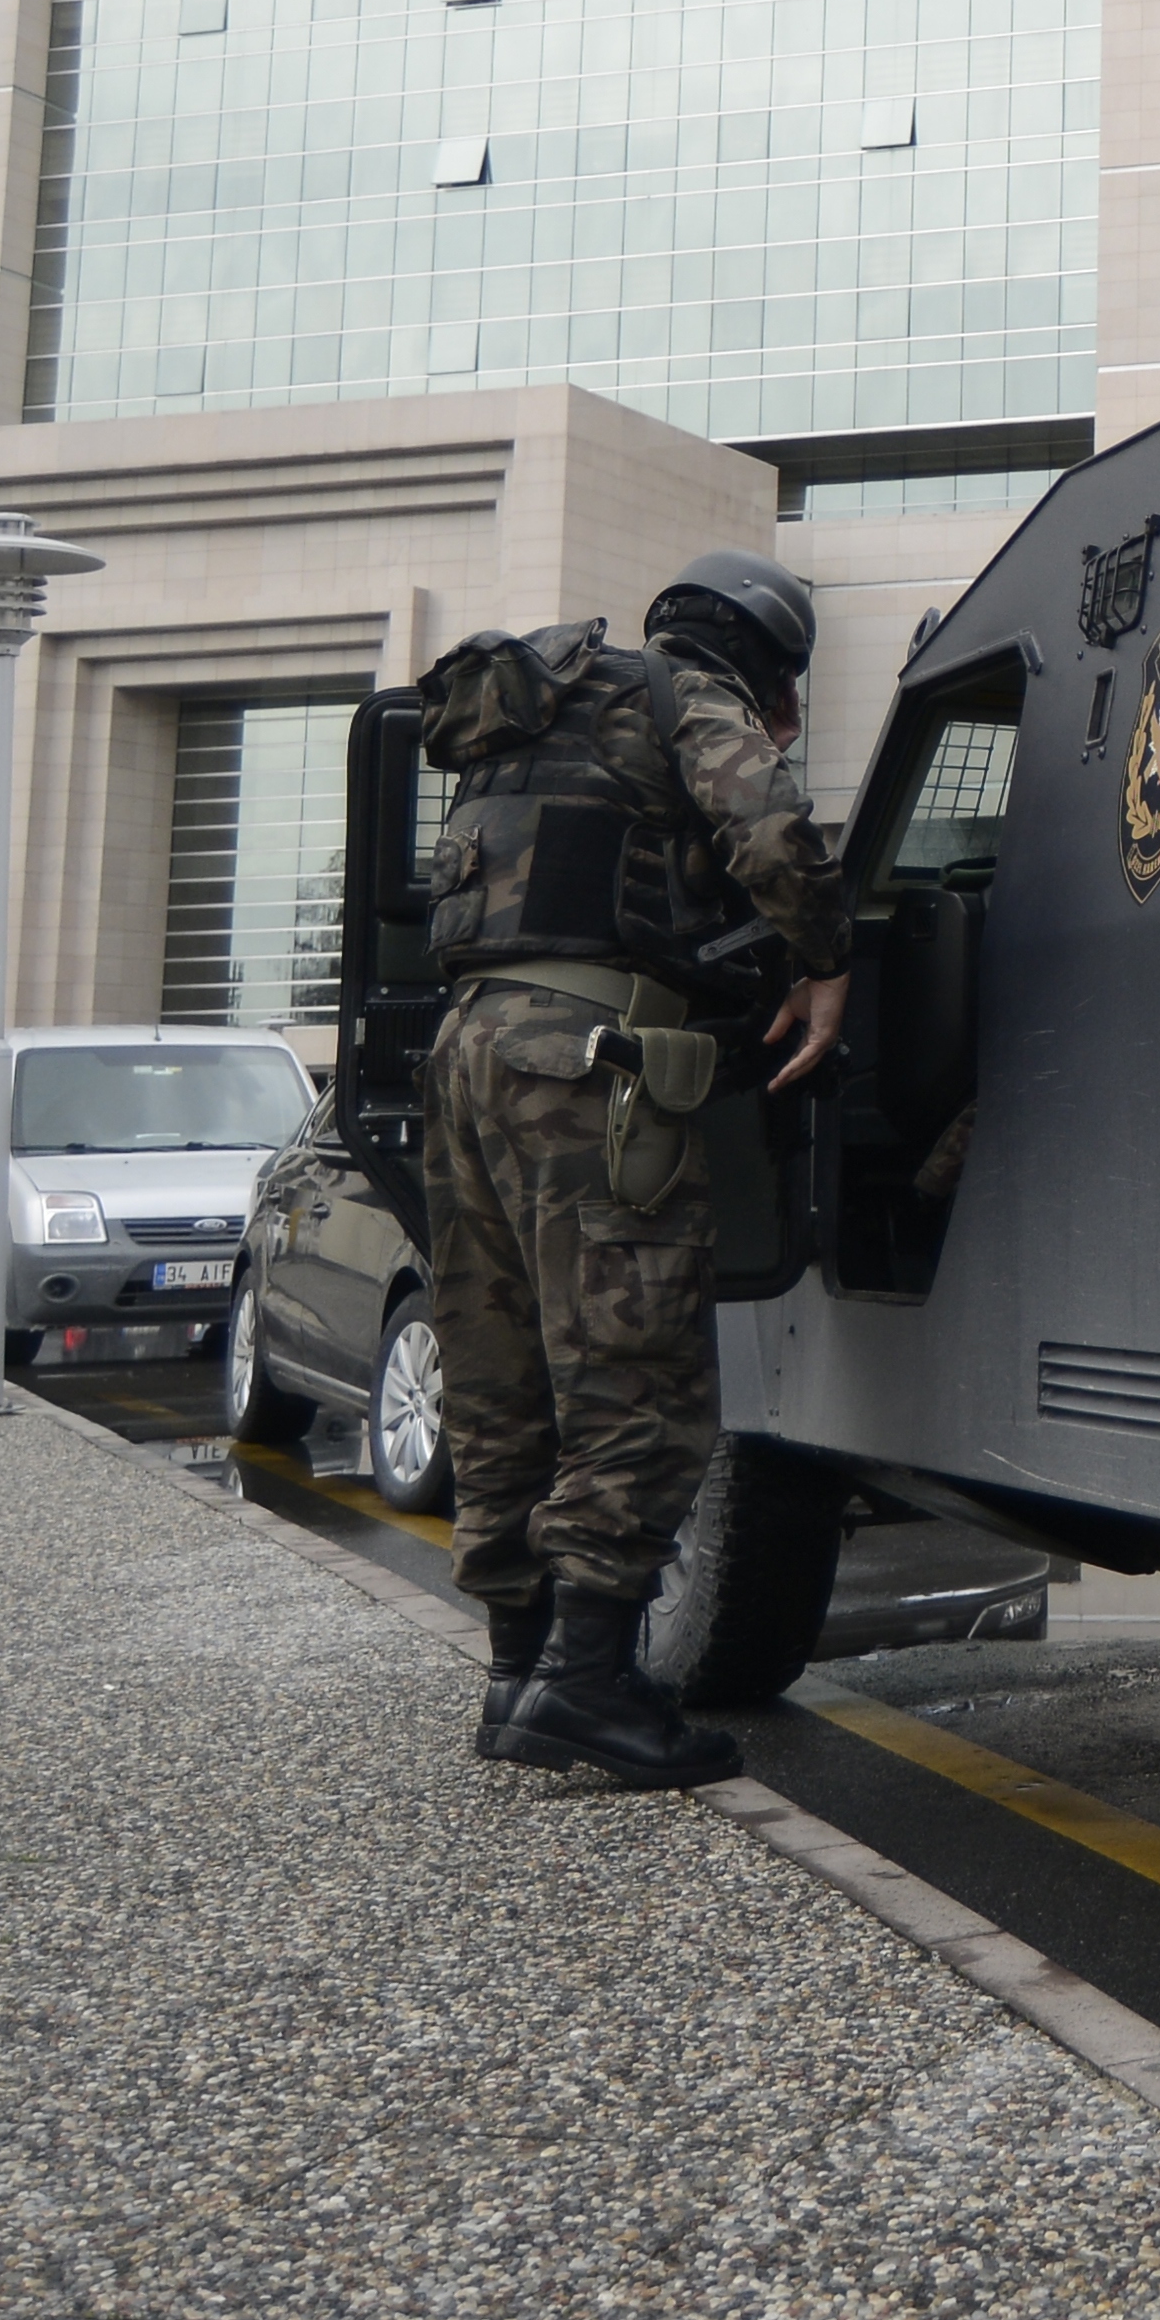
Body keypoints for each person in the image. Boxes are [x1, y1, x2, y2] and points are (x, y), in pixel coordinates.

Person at [412, 548, 848, 1793]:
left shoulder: (539, 715)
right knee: (634, 1378)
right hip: (585, 1064)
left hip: (463, 1054)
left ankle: (519, 1669)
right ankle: (590, 1685)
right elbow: (770, 829)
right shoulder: (686, 697)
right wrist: (826, 958)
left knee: (501, 1383)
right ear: (760, 652)